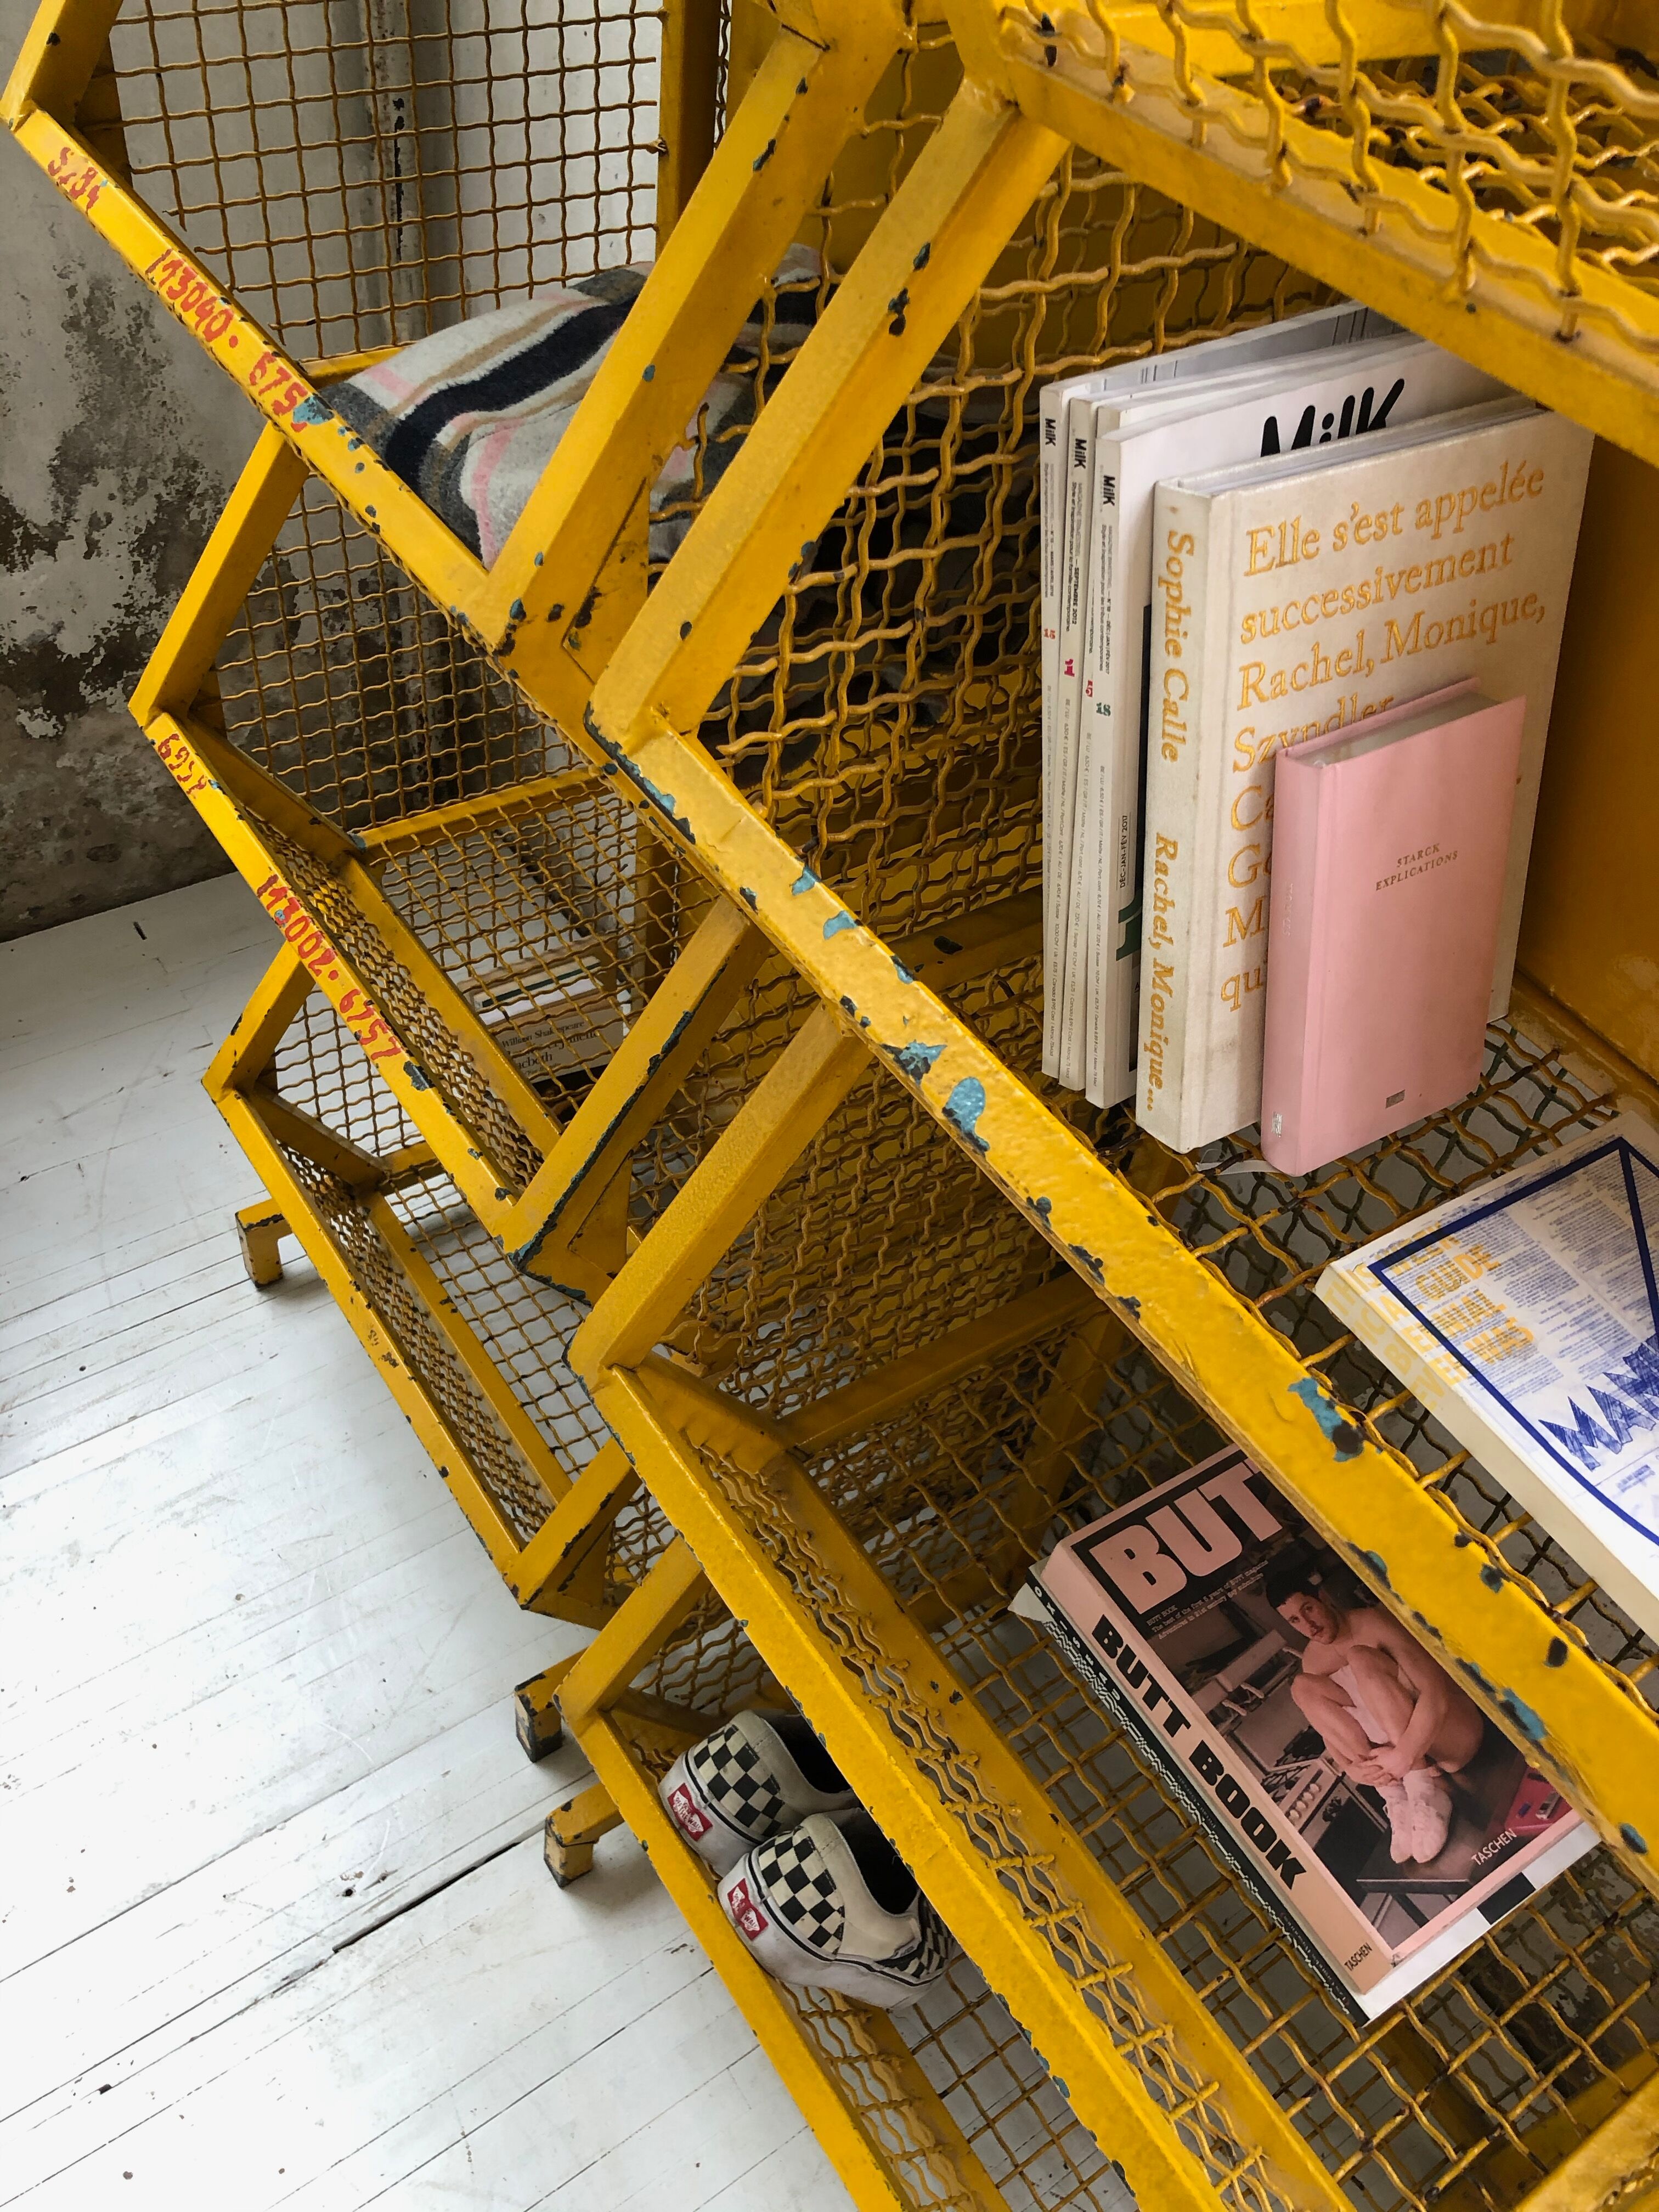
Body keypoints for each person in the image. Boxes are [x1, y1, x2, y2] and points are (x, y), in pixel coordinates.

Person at [1263, 1561, 1486, 1865]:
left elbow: (1435, 1693)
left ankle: (1424, 1790)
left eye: (1309, 1609)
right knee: (1302, 1688)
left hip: (1450, 1737)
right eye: (1295, 1620)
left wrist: (1406, 1756)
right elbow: (1330, 1730)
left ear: (1323, 1597)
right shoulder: (1313, 1661)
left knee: (1360, 1657)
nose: (1308, 1625)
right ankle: (1395, 1796)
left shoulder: (1372, 1624)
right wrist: (1351, 1768)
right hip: (1400, 1762)